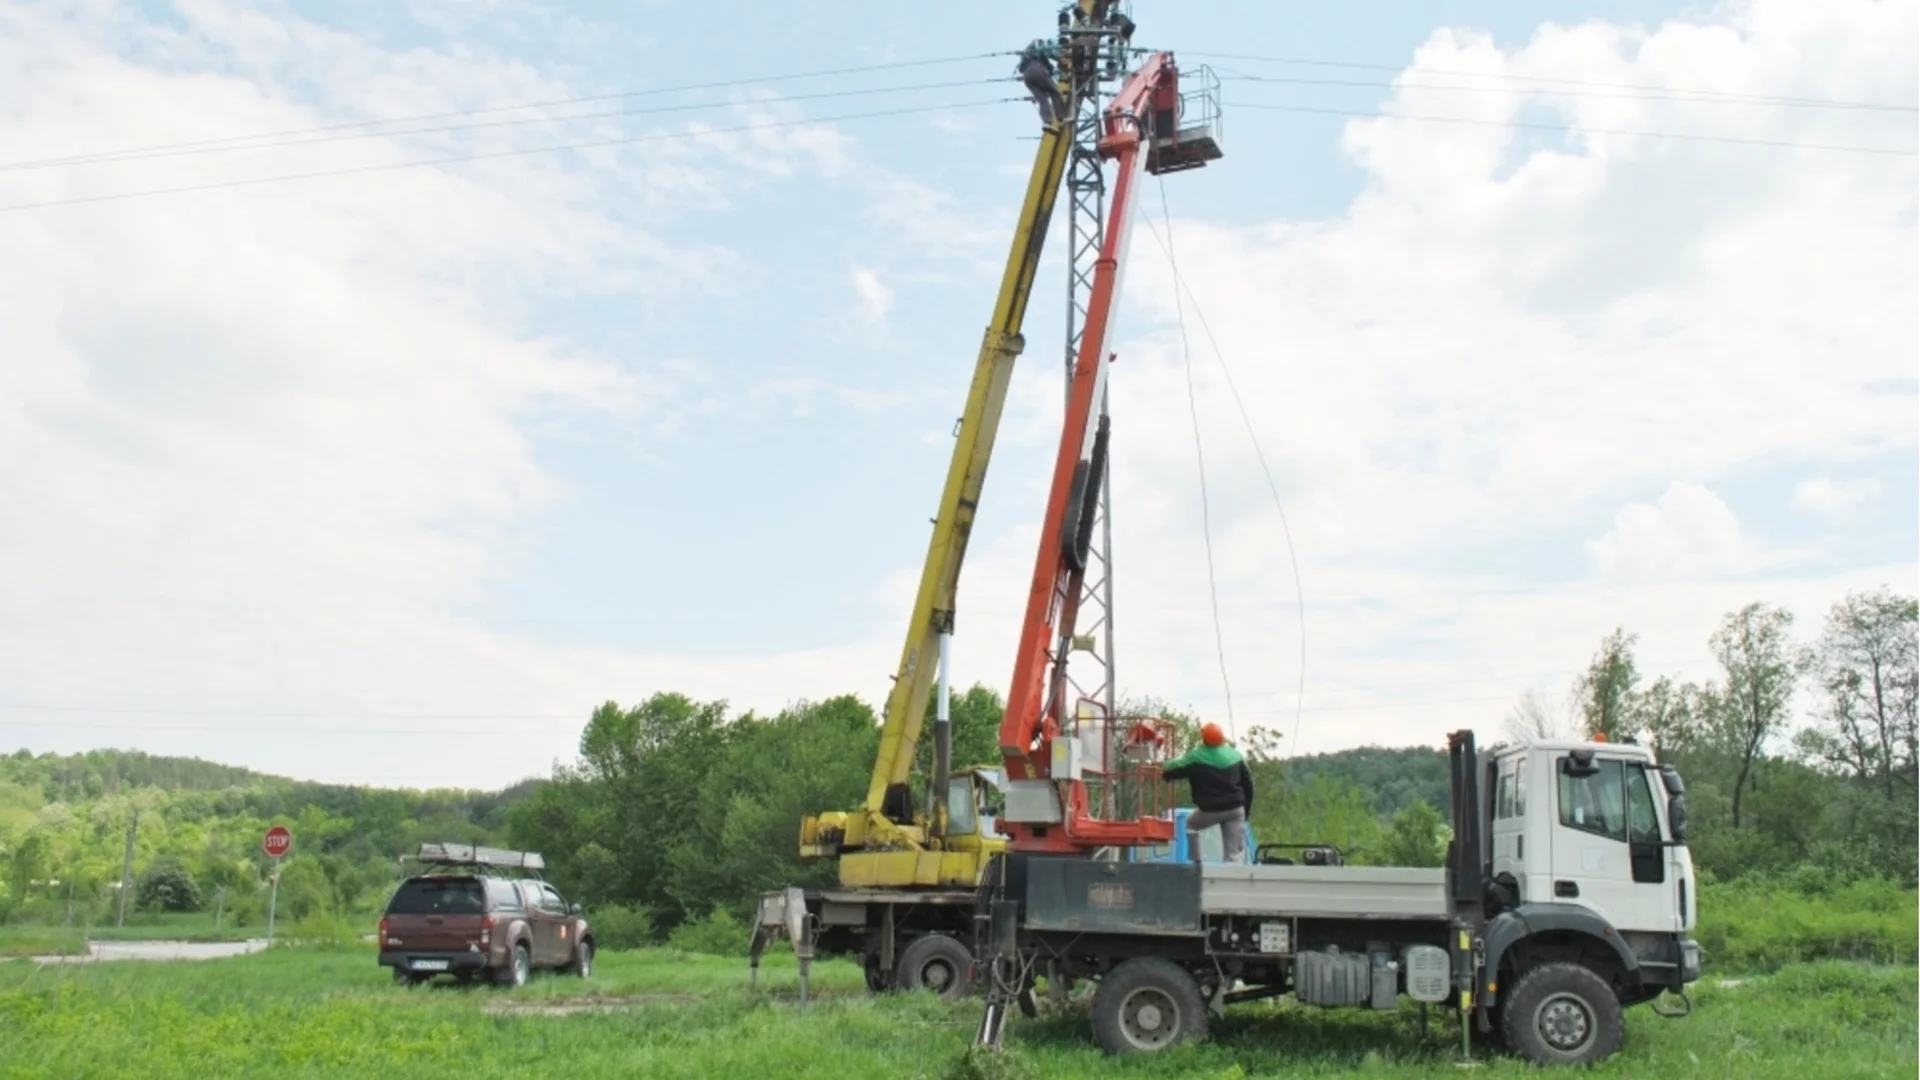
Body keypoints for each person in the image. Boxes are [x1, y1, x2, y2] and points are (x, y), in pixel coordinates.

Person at [1161, 722, 1254, 864]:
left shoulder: (1197, 756)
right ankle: (1233, 882)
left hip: (1210, 810)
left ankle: (1196, 862)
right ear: (1222, 738)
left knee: (1190, 825)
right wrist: (1245, 812)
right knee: (1234, 854)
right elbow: (1248, 785)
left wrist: (1165, 767)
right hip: (1236, 809)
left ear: (1203, 739)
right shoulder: (1236, 756)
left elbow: (1172, 770)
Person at [1017, 38, 1066, 129]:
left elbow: (1020, 69)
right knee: (1054, 92)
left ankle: (1047, 122)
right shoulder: (1040, 46)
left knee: (1042, 100)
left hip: (1027, 77)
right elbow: (1048, 58)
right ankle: (1061, 118)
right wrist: (1056, 64)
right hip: (1037, 69)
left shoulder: (1027, 55)